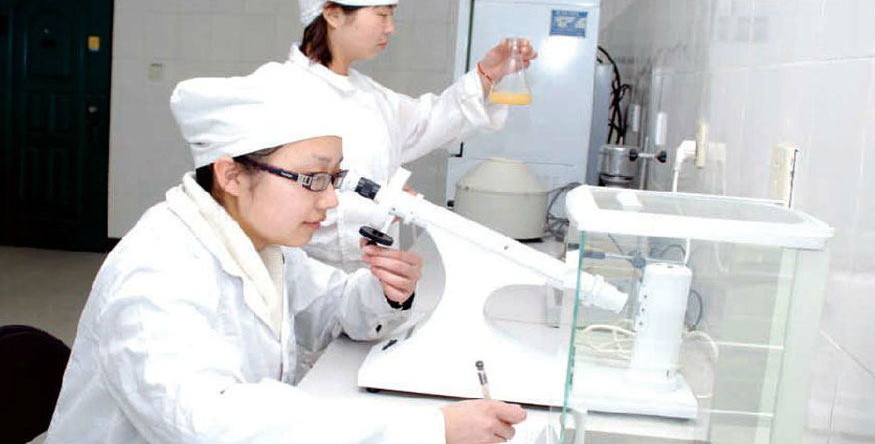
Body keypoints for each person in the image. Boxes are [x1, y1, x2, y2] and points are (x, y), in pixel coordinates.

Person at [45, 64, 526, 444]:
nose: (331, 199)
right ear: (231, 175)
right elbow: (211, 424)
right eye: (312, 179)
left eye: (333, 178)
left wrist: (384, 292)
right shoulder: (156, 273)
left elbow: (330, 309)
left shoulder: (257, 240)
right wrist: (429, 431)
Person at [291, 0, 538, 273]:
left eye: (391, 15)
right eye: (381, 14)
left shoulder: (371, 97)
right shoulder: (281, 94)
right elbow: (272, 205)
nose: (390, 27)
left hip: (369, 282)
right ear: (333, 13)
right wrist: (382, 206)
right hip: (301, 285)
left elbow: (430, 121)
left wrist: (488, 74)